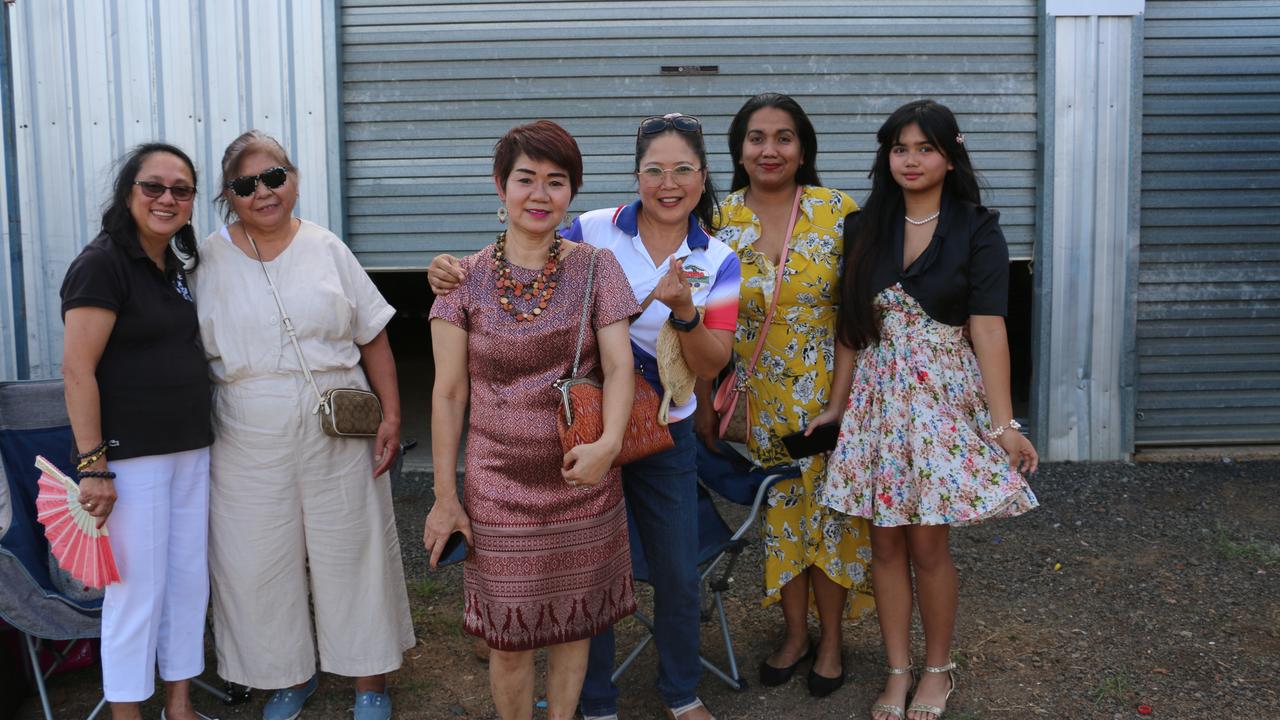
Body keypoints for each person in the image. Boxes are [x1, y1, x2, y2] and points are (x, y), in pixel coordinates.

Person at [429, 113, 740, 720]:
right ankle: (597, 704)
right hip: (522, 466)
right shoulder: (595, 230)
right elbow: (450, 387)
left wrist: (684, 313)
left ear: (704, 179)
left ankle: (679, 691)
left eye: (682, 170)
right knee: (517, 632)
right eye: (654, 169)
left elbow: (707, 364)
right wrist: (444, 271)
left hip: (647, 430)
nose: (667, 182)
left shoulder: (715, 259)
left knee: (666, 573)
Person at [815, 99, 1039, 720]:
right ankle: (896, 669)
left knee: (927, 544)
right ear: (885, 157)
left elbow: (990, 329)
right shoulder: (864, 227)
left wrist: (1003, 425)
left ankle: (936, 670)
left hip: (941, 395)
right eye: (899, 148)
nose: (910, 160)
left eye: (924, 148)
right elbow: (849, 328)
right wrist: (835, 409)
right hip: (876, 402)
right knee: (883, 543)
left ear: (950, 154)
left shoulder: (977, 226)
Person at [190, 130, 414, 720]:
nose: (263, 192)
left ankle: (371, 683)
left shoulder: (326, 247)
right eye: (245, 184)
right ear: (227, 196)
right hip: (245, 430)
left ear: (293, 177)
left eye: (274, 176)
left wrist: (391, 413)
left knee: (353, 550)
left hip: (338, 424)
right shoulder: (206, 261)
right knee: (257, 558)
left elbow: (373, 336)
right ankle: (285, 675)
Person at [422, 120, 641, 720]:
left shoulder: (598, 269)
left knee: (576, 629)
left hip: (583, 478)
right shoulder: (459, 281)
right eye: (526, 179)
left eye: (557, 181)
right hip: (498, 488)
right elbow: (447, 394)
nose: (540, 194)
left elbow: (620, 368)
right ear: (500, 186)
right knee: (510, 640)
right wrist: (446, 495)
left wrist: (609, 445)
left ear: (573, 192)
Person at [697, 92, 874, 698]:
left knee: (833, 518)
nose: (769, 149)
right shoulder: (717, 221)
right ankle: (794, 634)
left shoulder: (838, 210)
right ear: (738, 150)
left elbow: (856, 314)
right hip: (758, 397)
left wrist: (840, 402)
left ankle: (831, 642)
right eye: (756, 138)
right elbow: (696, 318)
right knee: (781, 516)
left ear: (803, 149)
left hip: (831, 395)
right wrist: (702, 402)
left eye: (783, 137)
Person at [60, 143, 216, 720]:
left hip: (190, 450)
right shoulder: (101, 263)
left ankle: (179, 706)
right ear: (129, 192)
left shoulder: (169, 266)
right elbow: (77, 370)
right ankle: (128, 714)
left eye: (181, 189)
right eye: (153, 186)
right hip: (131, 460)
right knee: (135, 595)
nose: (167, 198)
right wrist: (93, 464)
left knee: (185, 585)